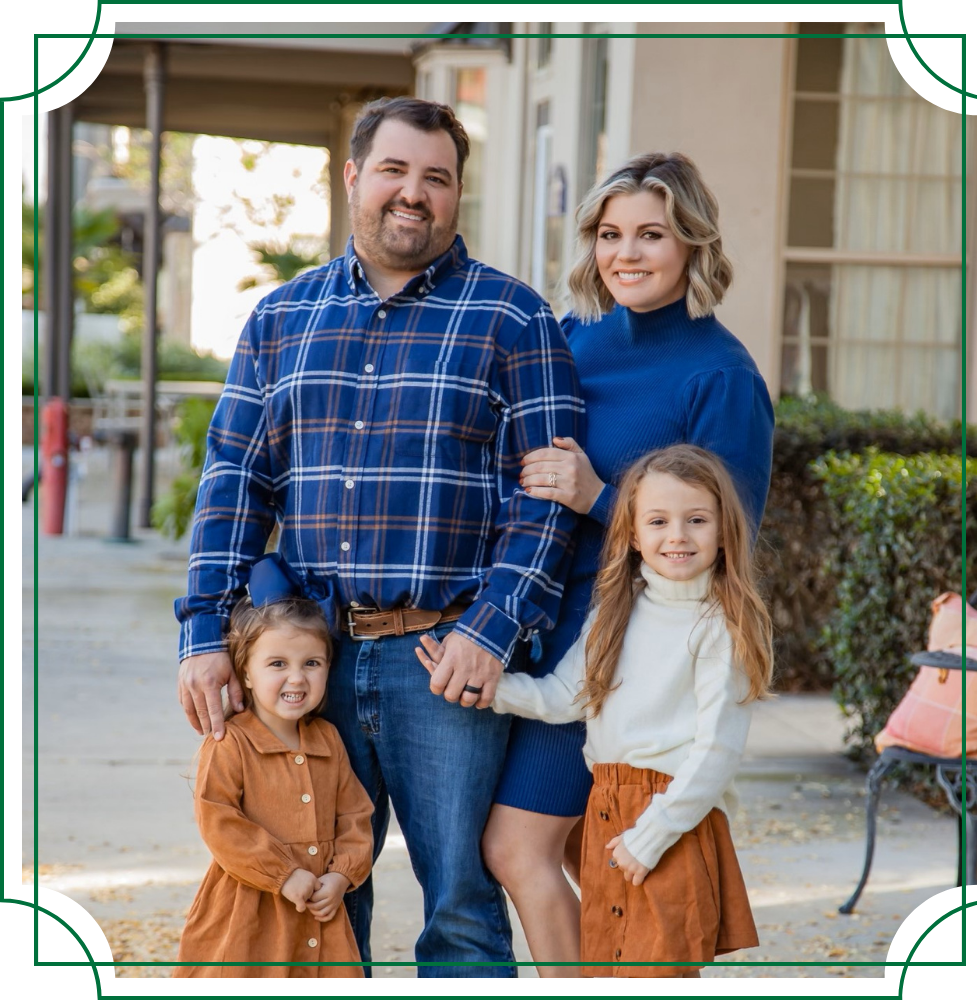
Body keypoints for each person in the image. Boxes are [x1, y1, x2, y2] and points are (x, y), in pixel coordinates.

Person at [174, 97, 583, 979]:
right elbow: (233, 486)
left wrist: (492, 630)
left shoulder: (514, 320)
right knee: (317, 904)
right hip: (305, 664)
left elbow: (548, 502)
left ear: (457, 195)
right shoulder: (281, 319)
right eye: (395, 170)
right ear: (354, 176)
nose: (414, 194)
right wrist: (204, 634)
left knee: (462, 909)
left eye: (436, 178)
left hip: (444, 661)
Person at [478, 152, 774, 975]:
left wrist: (597, 496)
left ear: (692, 246)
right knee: (594, 865)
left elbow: (727, 541)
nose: (627, 254)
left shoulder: (721, 374)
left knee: (516, 848)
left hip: (611, 646)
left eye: (652, 233)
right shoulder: (571, 340)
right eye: (610, 235)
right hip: (526, 622)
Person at [419, 443, 772, 978]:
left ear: (724, 531)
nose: (676, 536)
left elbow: (716, 752)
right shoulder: (616, 609)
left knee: (659, 969)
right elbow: (566, 697)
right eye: (658, 521)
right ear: (632, 535)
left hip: (669, 815)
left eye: (696, 520)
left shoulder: (720, 626)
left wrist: (653, 833)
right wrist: (488, 688)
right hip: (607, 800)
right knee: (610, 965)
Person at [175, 554, 373, 979]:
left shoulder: (328, 740)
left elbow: (356, 817)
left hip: (319, 909)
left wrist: (341, 877)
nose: (297, 678)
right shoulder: (230, 743)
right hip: (249, 912)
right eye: (278, 664)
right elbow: (220, 822)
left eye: (311, 664)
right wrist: (282, 875)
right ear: (245, 671)